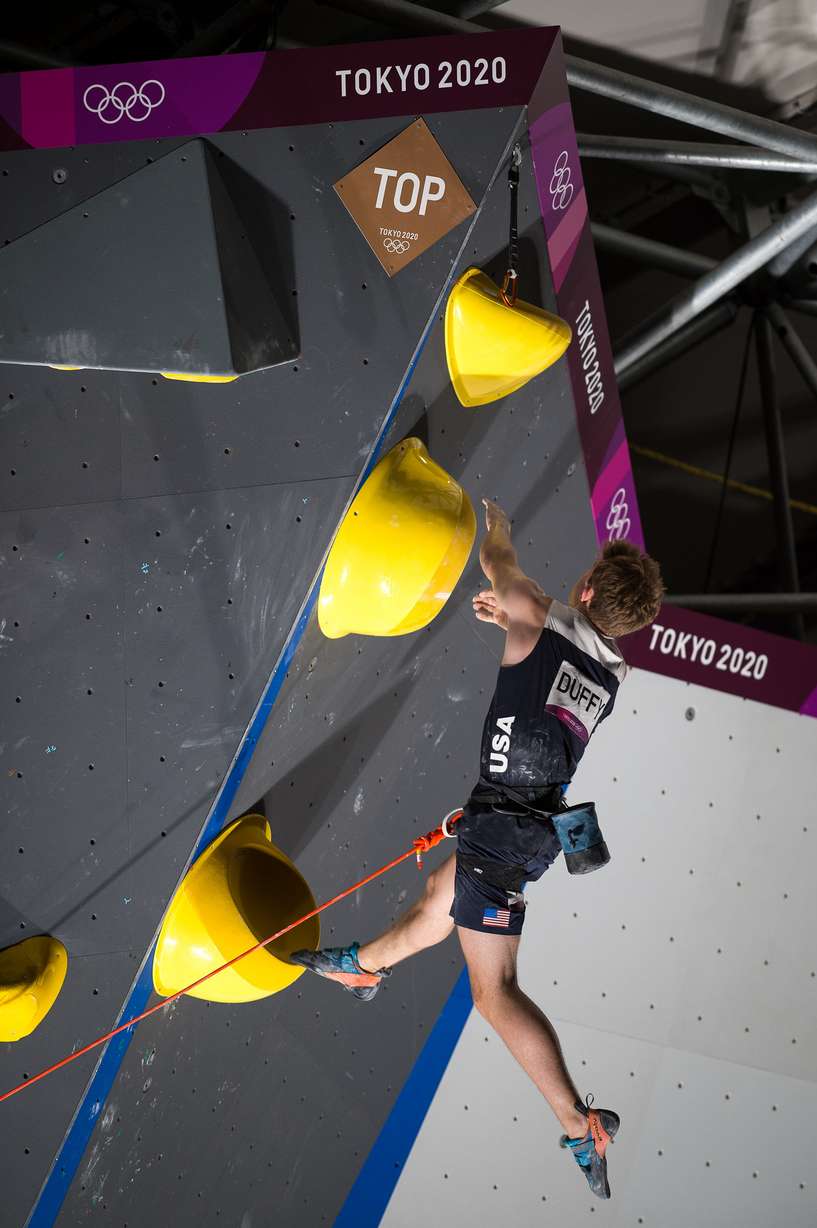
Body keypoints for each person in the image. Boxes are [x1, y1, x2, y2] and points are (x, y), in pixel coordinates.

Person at [291, 497, 665, 1200]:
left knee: (493, 993)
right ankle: (362, 967)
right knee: (441, 897)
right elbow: (555, 643)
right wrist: (521, 616)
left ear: (585, 589)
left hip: (506, 831)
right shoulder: (616, 672)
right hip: (515, 823)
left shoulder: (536, 610)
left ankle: (574, 1123)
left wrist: (497, 526)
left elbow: (499, 565)